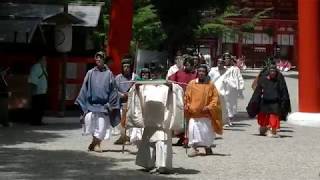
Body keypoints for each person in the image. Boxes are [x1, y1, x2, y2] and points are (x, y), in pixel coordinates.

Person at [75, 52, 120, 152]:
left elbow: (113, 90)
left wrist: (111, 103)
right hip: (91, 105)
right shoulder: (90, 73)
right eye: (97, 58)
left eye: (100, 58)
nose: (98, 60)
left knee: (102, 126)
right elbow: (84, 87)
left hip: (104, 105)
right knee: (91, 125)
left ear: (104, 60)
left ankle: (97, 144)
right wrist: (82, 101)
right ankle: (94, 142)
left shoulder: (109, 74)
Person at [184, 64, 223, 157]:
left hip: (206, 114)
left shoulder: (210, 85)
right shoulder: (192, 83)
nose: (201, 73)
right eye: (200, 71)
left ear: (206, 73)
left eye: (203, 71)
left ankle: (207, 147)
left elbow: (215, 99)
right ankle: (193, 147)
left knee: (206, 132)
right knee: (193, 131)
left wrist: (209, 107)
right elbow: (187, 97)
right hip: (194, 114)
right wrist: (188, 106)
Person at [247, 64, 291, 137]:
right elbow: (258, 91)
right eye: (271, 71)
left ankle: (272, 132)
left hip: (275, 102)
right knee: (263, 117)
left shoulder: (279, 80)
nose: (272, 72)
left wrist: (284, 102)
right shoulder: (263, 79)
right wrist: (254, 101)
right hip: (265, 101)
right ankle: (263, 129)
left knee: (274, 117)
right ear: (268, 71)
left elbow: (284, 91)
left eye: (274, 71)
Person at [168, 57, 197, 146]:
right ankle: (182, 138)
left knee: (189, 120)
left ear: (192, 65)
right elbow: (170, 80)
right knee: (181, 120)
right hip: (180, 99)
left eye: (188, 65)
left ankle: (188, 138)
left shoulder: (196, 74)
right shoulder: (179, 73)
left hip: (192, 99)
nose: (186, 66)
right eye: (185, 65)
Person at [209, 56, 244, 126]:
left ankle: (226, 120)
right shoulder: (213, 70)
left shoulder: (228, 71)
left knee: (226, 106)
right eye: (218, 63)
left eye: (221, 63)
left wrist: (239, 89)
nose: (219, 64)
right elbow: (209, 79)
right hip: (214, 91)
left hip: (224, 92)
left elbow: (234, 80)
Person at [114, 56, 137, 145]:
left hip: (131, 103)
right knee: (120, 121)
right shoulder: (118, 78)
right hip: (121, 103)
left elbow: (138, 89)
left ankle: (127, 137)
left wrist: (130, 94)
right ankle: (122, 136)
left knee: (129, 120)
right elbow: (114, 90)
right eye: (124, 67)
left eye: (128, 66)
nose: (126, 68)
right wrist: (121, 95)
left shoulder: (135, 77)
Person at [28, 56, 48, 126]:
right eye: (44, 59)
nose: (46, 61)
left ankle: (38, 121)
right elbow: (33, 80)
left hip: (43, 91)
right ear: (40, 60)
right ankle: (35, 121)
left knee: (41, 107)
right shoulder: (36, 67)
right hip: (37, 92)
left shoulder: (43, 67)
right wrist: (33, 91)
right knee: (36, 107)